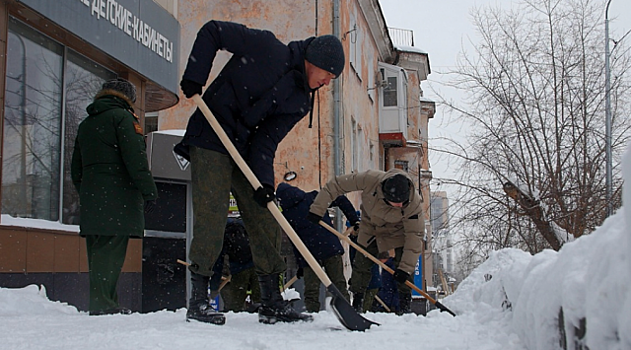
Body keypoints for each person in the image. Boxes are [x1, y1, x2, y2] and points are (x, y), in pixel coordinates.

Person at [174, 20, 345, 325]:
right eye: (328, 75)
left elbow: (265, 141)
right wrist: (194, 76)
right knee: (212, 213)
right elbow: (213, 31)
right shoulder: (266, 47)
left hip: (243, 152)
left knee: (265, 216)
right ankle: (198, 299)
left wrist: (265, 184)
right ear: (315, 62)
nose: (327, 83)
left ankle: (271, 300)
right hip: (211, 135)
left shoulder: (299, 103)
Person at [71, 78, 157, 316]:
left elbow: (75, 169)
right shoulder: (122, 118)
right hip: (117, 198)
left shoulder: (86, 124)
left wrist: (89, 193)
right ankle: (103, 305)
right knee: (111, 253)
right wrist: (149, 191)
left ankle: (104, 301)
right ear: (128, 98)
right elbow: (136, 159)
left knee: (98, 253)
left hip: (93, 198)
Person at [307, 169, 424, 314]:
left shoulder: (414, 204)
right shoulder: (371, 180)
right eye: (396, 202)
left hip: (398, 233)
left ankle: (405, 307)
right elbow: (336, 185)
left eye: (403, 203)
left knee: (404, 272)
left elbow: (414, 238)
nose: (400, 206)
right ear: (384, 194)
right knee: (361, 266)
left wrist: (405, 269)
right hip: (371, 228)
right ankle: (357, 305)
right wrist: (317, 209)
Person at [275, 183, 359, 313]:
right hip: (330, 248)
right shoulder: (314, 197)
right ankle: (348, 312)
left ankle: (313, 315)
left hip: (309, 255)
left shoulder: (287, 215)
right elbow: (340, 198)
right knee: (339, 284)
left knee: (311, 290)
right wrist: (354, 220)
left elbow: (295, 241)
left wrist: (301, 263)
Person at [209, 217, 261, 313]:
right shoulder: (247, 224)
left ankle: (236, 319)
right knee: (262, 303)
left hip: (239, 269)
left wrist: (214, 287)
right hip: (258, 266)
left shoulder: (222, 232)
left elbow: (218, 262)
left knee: (235, 307)